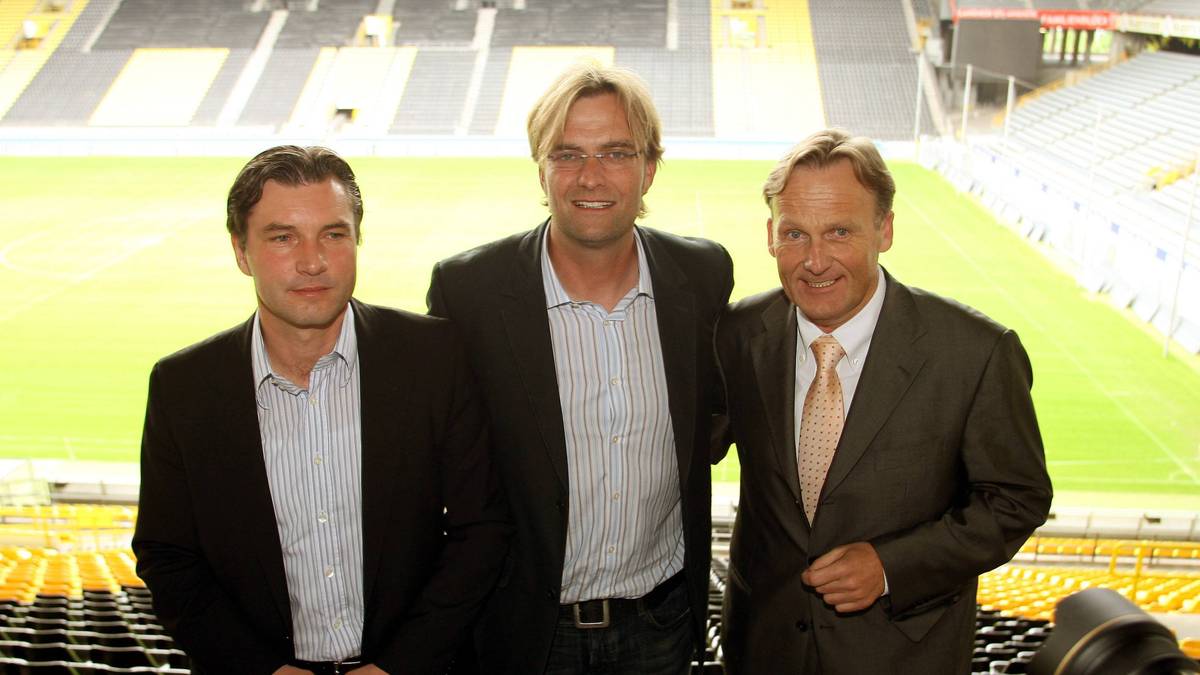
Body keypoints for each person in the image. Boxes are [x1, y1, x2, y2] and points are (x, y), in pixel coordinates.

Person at [132, 145, 509, 675]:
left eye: (333, 234)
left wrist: (397, 666)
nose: (312, 261)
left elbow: (483, 528)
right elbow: (166, 556)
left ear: (358, 240)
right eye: (283, 237)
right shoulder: (183, 386)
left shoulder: (434, 357)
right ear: (241, 251)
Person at [426, 63, 733, 674]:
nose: (590, 176)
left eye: (616, 152)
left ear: (649, 169)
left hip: (662, 624)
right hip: (523, 632)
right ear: (541, 170)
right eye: (567, 154)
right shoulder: (470, 291)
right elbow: (444, 466)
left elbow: (716, 421)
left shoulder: (701, 275)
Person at [714, 129, 1053, 674]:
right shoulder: (737, 333)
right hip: (764, 645)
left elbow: (1017, 499)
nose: (815, 260)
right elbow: (686, 441)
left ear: (885, 230)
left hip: (903, 654)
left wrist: (891, 566)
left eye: (840, 231)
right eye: (795, 233)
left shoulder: (975, 352)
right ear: (770, 235)